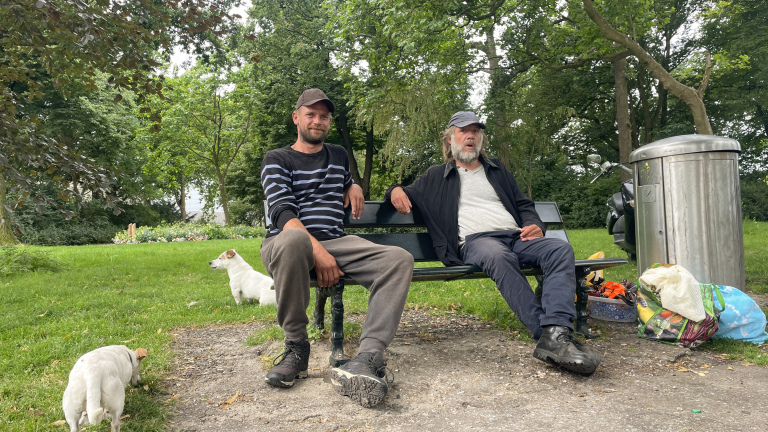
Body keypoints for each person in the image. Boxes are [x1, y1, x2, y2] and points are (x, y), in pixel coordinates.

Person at [386, 111, 601, 375]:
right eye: (464, 131)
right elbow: (401, 192)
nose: (470, 136)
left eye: (476, 131)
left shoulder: (497, 171)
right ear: (450, 138)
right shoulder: (436, 176)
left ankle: (556, 331)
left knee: (559, 249)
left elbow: (524, 205)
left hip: (516, 237)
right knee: (498, 256)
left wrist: (536, 224)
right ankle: (548, 336)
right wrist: (394, 189)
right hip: (477, 242)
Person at [260, 88, 414, 407]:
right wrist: (318, 252)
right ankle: (296, 348)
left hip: (337, 241)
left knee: (399, 259)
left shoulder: (338, 154)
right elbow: (283, 214)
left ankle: (368, 358)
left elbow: (345, 182)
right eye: (311, 114)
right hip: (286, 242)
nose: (318, 121)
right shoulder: (277, 159)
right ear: (296, 118)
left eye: (324, 116)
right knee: (295, 238)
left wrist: (354, 185)